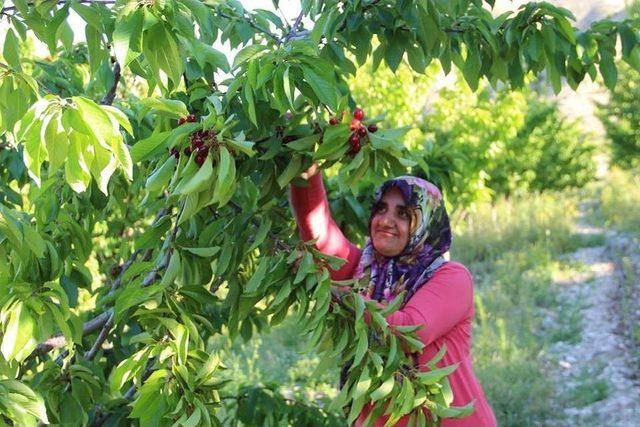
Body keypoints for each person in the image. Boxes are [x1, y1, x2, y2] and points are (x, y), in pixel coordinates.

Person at [289, 163, 497, 427]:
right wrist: (304, 168)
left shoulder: (452, 278)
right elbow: (318, 231)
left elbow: (410, 331)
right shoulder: (364, 270)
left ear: (425, 221)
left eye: (403, 214)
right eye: (381, 209)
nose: (386, 221)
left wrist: (339, 295)